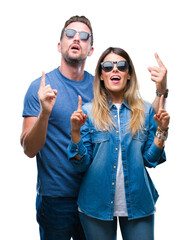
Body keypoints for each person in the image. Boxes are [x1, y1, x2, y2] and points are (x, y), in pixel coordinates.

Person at [20, 14, 167, 240]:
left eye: (84, 36)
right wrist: (45, 113)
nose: (76, 39)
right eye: (70, 34)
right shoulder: (41, 88)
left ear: (90, 50)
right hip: (56, 196)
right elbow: (29, 149)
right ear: (60, 45)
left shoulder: (103, 90)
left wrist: (161, 91)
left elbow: (138, 119)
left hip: (97, 195)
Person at [68, 47, 170, 240]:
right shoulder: (87, 112)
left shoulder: (145, 110)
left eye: (121, 65)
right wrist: (75, 133)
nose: (114, 69)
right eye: (107, 66)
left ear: (129, 74)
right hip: (95, 204)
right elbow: (81, 164)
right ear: (100, 76)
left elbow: (150, 160)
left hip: (139, 203)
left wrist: (162, 131)